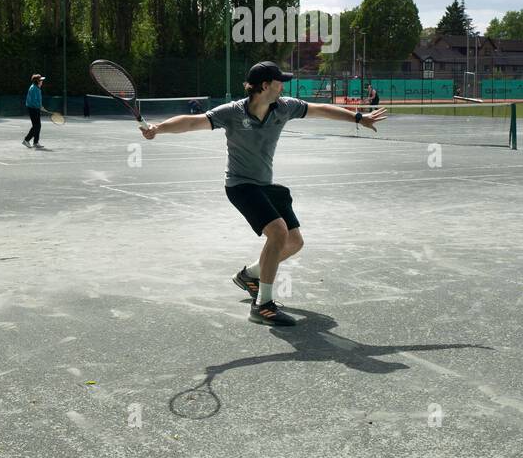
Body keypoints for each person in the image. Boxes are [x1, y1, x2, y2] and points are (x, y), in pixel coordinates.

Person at [140, 61, 387, 326]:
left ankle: (249, 275)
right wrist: (158, 129)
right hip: (240, 186)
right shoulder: (233, 112)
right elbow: (192, 122)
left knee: (294, 242)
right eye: (279, 81)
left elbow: (321, 110)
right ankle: (263, 306)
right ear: (265, 86)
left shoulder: (285, 107)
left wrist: (358, 117)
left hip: (266, 186)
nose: (284, 86)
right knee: (278, 233)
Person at [23, 74, 47, 149]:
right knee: (36, 126)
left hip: (35, 108)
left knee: (38, 125)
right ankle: (26, 140)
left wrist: (41, 106)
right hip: (32, 109)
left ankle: (35, 142)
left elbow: (37, 100)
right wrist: (39, 107)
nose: (42, 81)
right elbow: (33, 101)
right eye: (41, 80)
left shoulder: (37, 88)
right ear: (37, 81)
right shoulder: (34, 88)